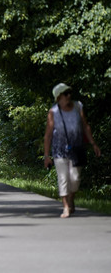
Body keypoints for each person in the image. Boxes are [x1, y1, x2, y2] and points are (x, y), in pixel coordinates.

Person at [43, 83, 101, 218]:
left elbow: (85, 126)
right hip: (59, 150)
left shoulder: (78, 106)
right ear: (58, 98)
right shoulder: (53, 112)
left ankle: (71, 199)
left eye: (69, 93)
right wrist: (46, 155)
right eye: (65, 94)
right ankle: (66, 207)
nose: (68, 96)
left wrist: (93, 144)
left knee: (75, 178)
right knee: (63, 178)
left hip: (76, 148)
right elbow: (48, 134)